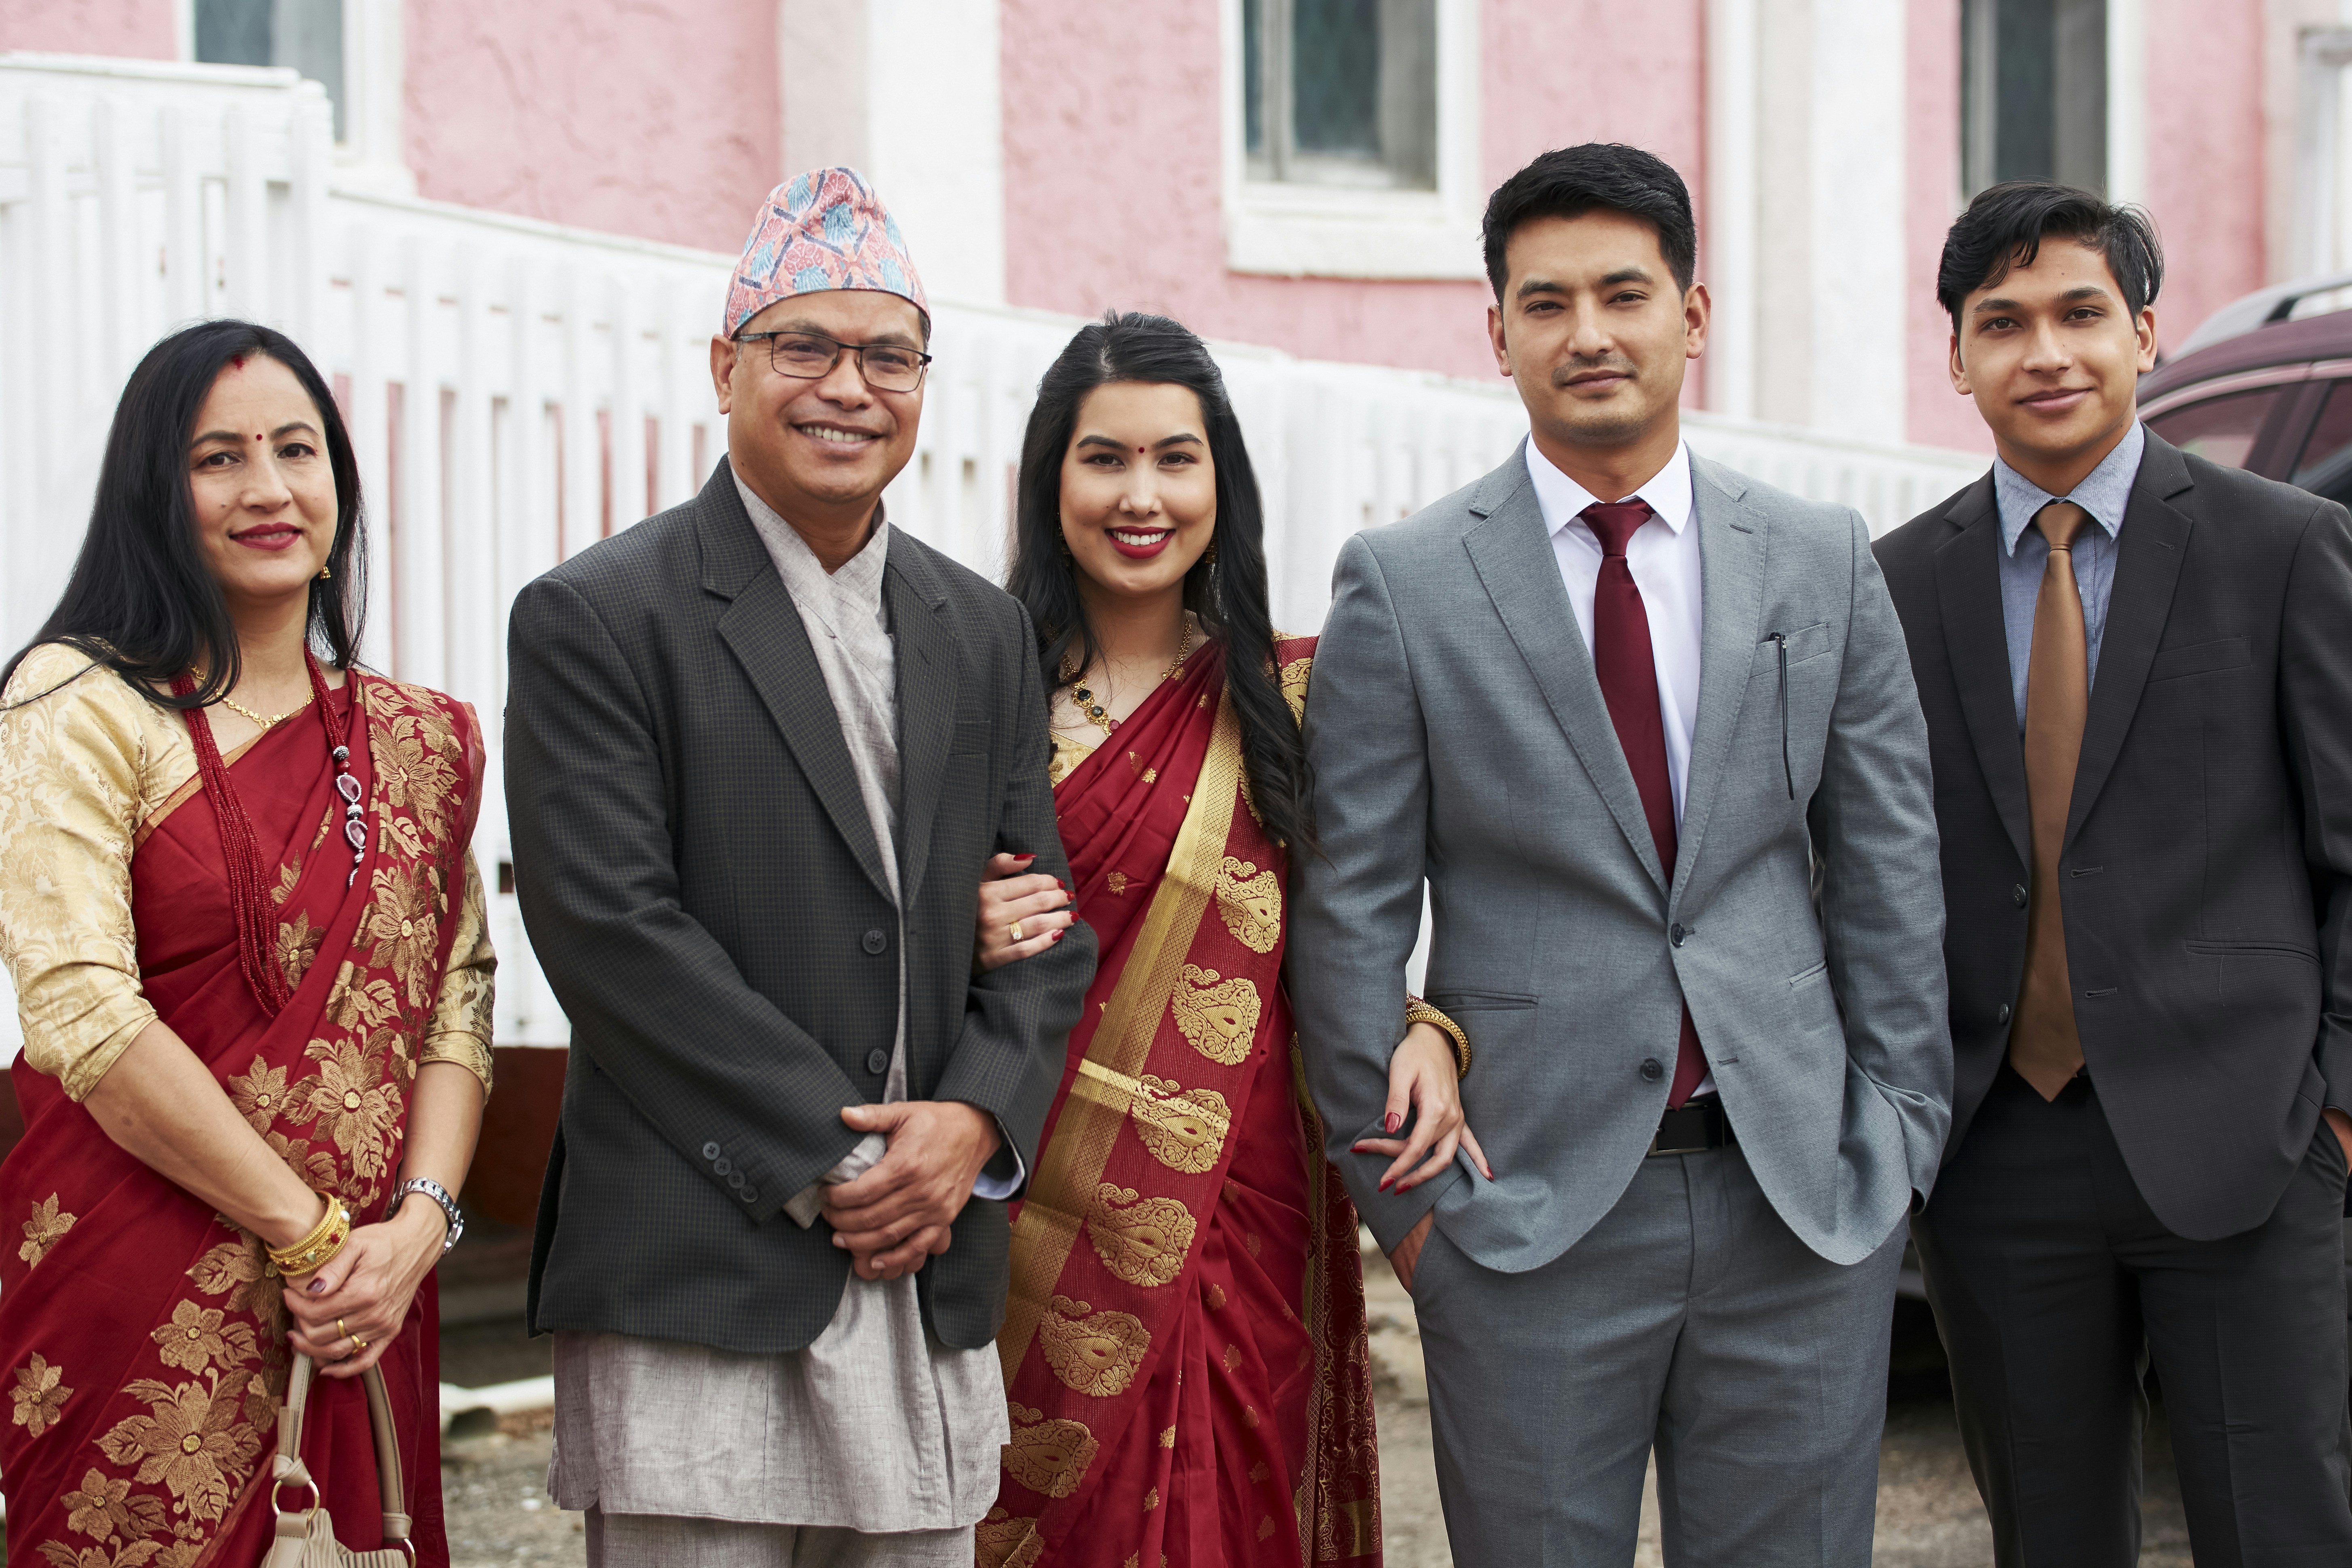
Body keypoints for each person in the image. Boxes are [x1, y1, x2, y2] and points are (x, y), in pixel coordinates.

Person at [1290, 142, 1952, 1566]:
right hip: (1524, 1219)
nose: (1586, 333)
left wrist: (1892, 1142)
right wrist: (1417, 1230)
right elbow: (1346, 912)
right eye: (1545, 303)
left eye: (1622, 294)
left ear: (1690, 314)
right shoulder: (1404, 585)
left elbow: (1890, 870)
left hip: (1800, 1209)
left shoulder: (1819, 559)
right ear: (1498, 333)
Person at [504, 167, 1096, 1568]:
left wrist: (974, 1125)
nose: (850, 387)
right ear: (727, 368)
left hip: (928, 1235)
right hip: (707, 1249)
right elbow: (607, 931)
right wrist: (831, 1158)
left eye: (887, 355)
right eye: (805, 347)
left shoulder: (979, 628)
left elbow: (1039, 920)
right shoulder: (602, 616)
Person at [1875, 181, 2352, 1565]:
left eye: (2081, 314)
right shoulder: (1898, 585)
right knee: (2049, 1542)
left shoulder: (2282, 549)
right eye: (2002, 322)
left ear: (2144, 335)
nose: (2046, 354)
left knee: (2281, 1537)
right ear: (1955, 356)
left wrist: (2334, 1117)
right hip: (1993, 1158)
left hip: (2250, 1149)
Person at [969, 312, 1482, 1568]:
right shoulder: (972, 687)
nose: (1140, 496)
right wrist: (951, 927)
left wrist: (1430, 1027)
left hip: (1242, 1209)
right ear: (1051, 482)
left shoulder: (1302, 690)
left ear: (1220, 483)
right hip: (1020, 1208)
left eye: (1174, 459)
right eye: (1104, 459)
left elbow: (1391, 907)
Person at [0, 319, 492, 1567]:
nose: (269, 490)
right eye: (220, 459)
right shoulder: (79, 703)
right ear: (154, 495)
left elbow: (454, 1003)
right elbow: (82, 1014)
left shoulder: (419, 739)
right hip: (139, 1278)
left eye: (297, 450)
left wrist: (417, 1231)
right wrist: (314, 1238)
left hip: (370, 1301)